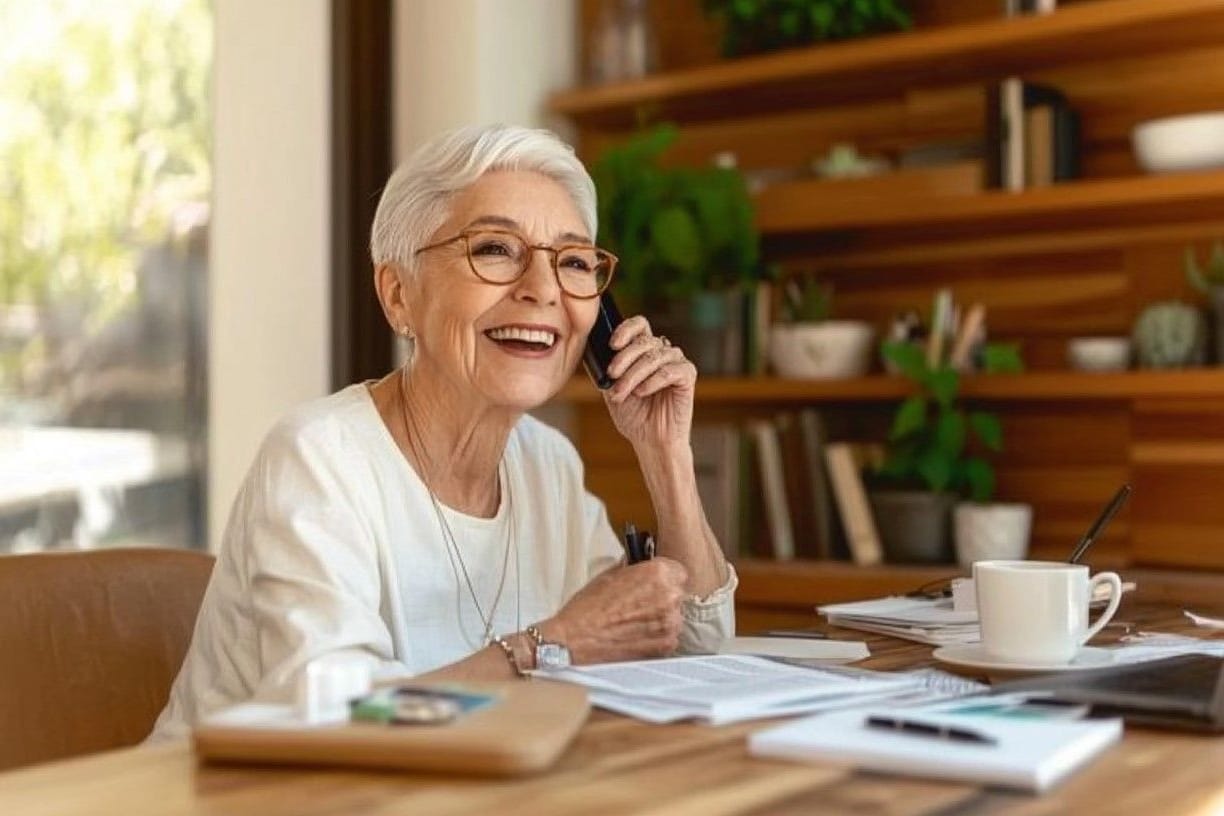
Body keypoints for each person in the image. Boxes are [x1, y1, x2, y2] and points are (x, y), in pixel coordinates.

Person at [151, 124, 735, 738]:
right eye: (494, 250)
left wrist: (664, 453)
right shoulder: (319, 458)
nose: (541, 290)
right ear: (399, 295)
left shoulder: (547, 465)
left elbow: (692, 658)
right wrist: (554, 644)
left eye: (573, 262)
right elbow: (340, 720)